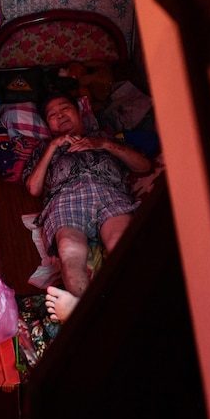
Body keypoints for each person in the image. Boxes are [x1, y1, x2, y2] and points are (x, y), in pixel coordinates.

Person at [23, 93, 151, 322]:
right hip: (66, 200)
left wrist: (104, 144)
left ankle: (137, 308)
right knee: (69, 250)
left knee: (121, 242)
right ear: (49, 126)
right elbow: (34, 188)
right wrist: (53, 146)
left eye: (65, 108)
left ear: (79, 112)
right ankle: (84, 316)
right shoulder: (45, 149)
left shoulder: (103, 137)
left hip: (109, 193)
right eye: (52, 115)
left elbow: (143, 165)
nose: (60, 115)